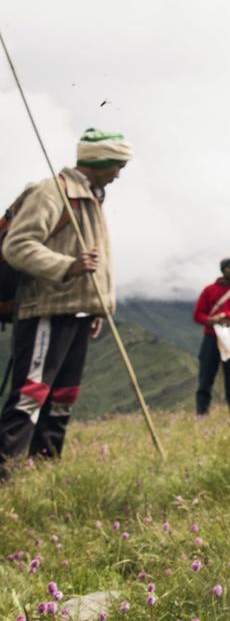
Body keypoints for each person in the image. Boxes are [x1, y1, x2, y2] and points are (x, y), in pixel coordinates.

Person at [0, 128, 132, 482]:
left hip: (77, 309)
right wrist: (67, 266)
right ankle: (5, 475)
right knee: (31, 393)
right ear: (98, 161)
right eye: (117, 164)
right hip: (47, 308)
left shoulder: (92, 196)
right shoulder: (52, 192)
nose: (120, 172)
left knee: (62, 397)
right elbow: (17, 246)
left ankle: (43, 471)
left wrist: (98, 308)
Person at [192, 258, 230, 415]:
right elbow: (198, 315)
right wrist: (210, 320)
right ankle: (201, 413)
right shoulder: (209, 291)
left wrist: (226, 315)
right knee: (205, 377)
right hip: (212, 337)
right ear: (223, 269)